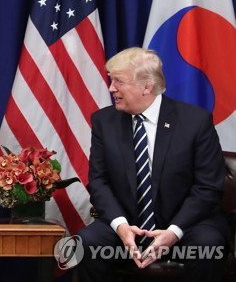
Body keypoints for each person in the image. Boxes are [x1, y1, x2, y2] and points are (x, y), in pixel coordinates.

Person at [76, 47, 230, 282]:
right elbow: (99, 181)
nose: (111, 88)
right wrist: (121, 226)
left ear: (146, 87)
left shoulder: (195, 121)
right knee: (87, 242)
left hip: (186, 225)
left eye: (119, 81)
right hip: (128, 226)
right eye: (111, 80)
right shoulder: (104, 122)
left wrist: (173, 232)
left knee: (208, 245)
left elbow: (208, 187)